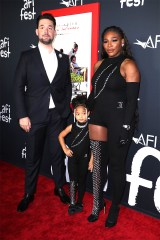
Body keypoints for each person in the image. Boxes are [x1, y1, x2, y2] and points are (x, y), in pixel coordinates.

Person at [14, 13, 72, 212]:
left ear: (54, 31)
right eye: (43, 27)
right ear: (36, 31)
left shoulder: (64, 58)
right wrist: (22, 115)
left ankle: (59, 188)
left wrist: (64, 110)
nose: (46, 30)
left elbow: (67, 86)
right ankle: (29, 193)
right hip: (34, 117)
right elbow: (18, 87)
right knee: (32, 157)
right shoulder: (26, 57)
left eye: (50, 27)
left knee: (57, 155)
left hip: (57, 116)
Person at [87, 26, 140, 227]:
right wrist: (83, 104)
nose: (109, 45)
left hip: (119, 121)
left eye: (114, 40)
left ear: (123, 42)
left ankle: (115, 208)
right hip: (98, 119)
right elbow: (96, 93)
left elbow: (132, 101)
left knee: (117, 168)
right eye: (106, 41)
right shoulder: (98, 64)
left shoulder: (128, 65)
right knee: (99, 166)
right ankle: (97, 204)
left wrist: (127, 127)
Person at [58, 95, 93, 215]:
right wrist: (65, 149)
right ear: (74, 114)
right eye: (78, 114)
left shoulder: (91, 128)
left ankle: (80, 202)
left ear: (88, 113)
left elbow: (93, 146)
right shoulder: (71, 127)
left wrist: (92, 160)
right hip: (72, 158)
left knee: (82, 181)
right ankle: (72, 203)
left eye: (83, 113)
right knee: (73, 181)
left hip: (84, 159)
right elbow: (60, 135)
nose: (81, 116)